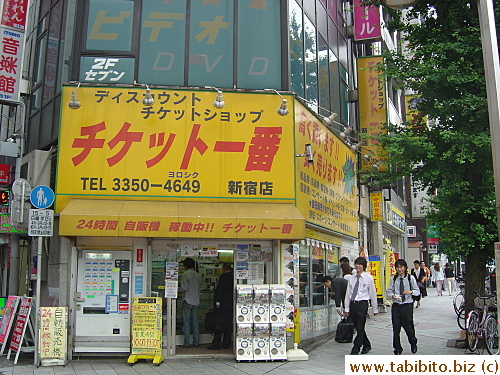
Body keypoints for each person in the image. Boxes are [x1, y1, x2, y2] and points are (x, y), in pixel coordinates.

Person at [344, 257, 378, 355]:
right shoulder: (352, 278)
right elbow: (348, 294)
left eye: (360, 264)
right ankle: (367, 344)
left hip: (363, 303)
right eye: (356, 264)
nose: (358, 266)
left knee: (360, 325)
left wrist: (375, 308)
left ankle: (356, 347)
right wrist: (346, 308)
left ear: (364, 266)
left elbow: (372, 293)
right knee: (358, 327)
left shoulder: (369, 278)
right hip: (353, 303)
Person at [387, 259, 419, 355]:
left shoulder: (410, 278)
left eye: (401, 267)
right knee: (396, 328)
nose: (399, 269)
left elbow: (417, 290)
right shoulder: (393, 279)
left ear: (405, 268)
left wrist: (410, 291)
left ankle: (413, 343)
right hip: (396, 305)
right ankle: (397, 348)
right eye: (398, 267)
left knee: (409, 327)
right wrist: (392, 295)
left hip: (407, 305)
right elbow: (389, 291)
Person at [208, 263, 234, 350]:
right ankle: (226, 343)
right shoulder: (234, 277)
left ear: (224, 269)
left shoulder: (223, 277)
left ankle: (216, 343)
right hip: (231, 305)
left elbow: (220, 290)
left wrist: (217, 302)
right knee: (228, 325)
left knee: (218, 323)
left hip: (223, 305)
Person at [180, 257, 201, 348]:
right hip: (196, 301)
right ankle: (196, 342)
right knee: (195, 323)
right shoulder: (197, 275)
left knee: (186, 322)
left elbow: (184, 288)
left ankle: (186, 343)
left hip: (187, 300)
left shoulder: (186, 274)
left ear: (185, 266)